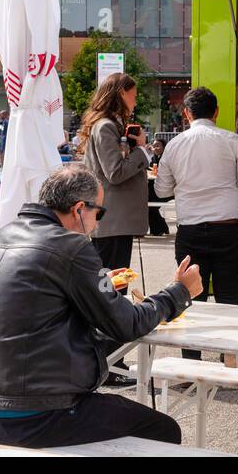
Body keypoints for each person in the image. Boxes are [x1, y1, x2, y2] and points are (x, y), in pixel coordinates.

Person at [0, 165, 203, 449]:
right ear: (79, 208)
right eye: (99, 212)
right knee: (163, 429)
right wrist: (178, 292)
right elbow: (126, 323)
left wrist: (99, 287)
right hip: (41, 412)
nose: (98, 223)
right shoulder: (71, 246)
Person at [154, 87, 238, 359]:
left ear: (186, 113)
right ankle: (229, 360)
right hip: (228, 226)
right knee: (229, 296)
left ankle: (191, 364)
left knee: (189, 297)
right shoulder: (231, 140)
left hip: (190, 230)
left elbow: (162, 190)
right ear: (217, 112)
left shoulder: (175, 145)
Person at [77, 73, 155, 386]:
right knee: (113, 294)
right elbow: (115, 172)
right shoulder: (106, 126)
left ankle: (108, 362)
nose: (135, 101)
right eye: (133, 95)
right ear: (121, 93)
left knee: (111, 291)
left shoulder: (104, 126)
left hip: (111, 223)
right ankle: (111, 363)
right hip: (112, 224)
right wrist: (142, 152)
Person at [147, 139, 169, 236]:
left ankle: (160, 228)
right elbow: (151, 169)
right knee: (147, 202)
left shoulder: (167, 158)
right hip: (156, 187)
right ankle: (159, 228)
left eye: (158, 145)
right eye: (154, 146)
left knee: (150, 205)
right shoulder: (154, 158)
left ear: (164, 147)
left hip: (167, 189)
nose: (155, 148)